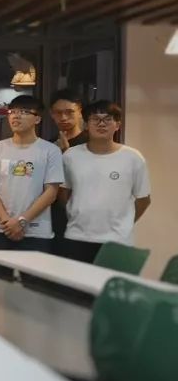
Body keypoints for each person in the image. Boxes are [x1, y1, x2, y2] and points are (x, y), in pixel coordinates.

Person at [59, 101, 151, 263]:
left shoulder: (133, 158)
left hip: (117, 240)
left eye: (108, 119)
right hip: (77, 237)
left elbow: (143, 200)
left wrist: (125, 223)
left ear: (118, 125)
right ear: (86, 124)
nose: (101, 124)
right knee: (76, 279)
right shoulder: (70, 156)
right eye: (95, 119)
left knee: (112, 280)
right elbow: (63, 193)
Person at [0, 95, 64, 251]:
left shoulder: (50, 151)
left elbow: (51, 192)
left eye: (24, 112)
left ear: (37, 119)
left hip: (36, 231)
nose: (16, 116)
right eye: (12, 112)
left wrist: (22, 221)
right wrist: (6, 220)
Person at [49, 89, 88, 254]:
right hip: (53, 218)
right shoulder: (49, 145)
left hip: (83, 220)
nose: (63, 118)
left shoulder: (90, 143)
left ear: (80, 112)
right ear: (51, 114)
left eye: (69, 112)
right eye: (58, 113)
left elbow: (87, 180)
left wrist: (66, 154)